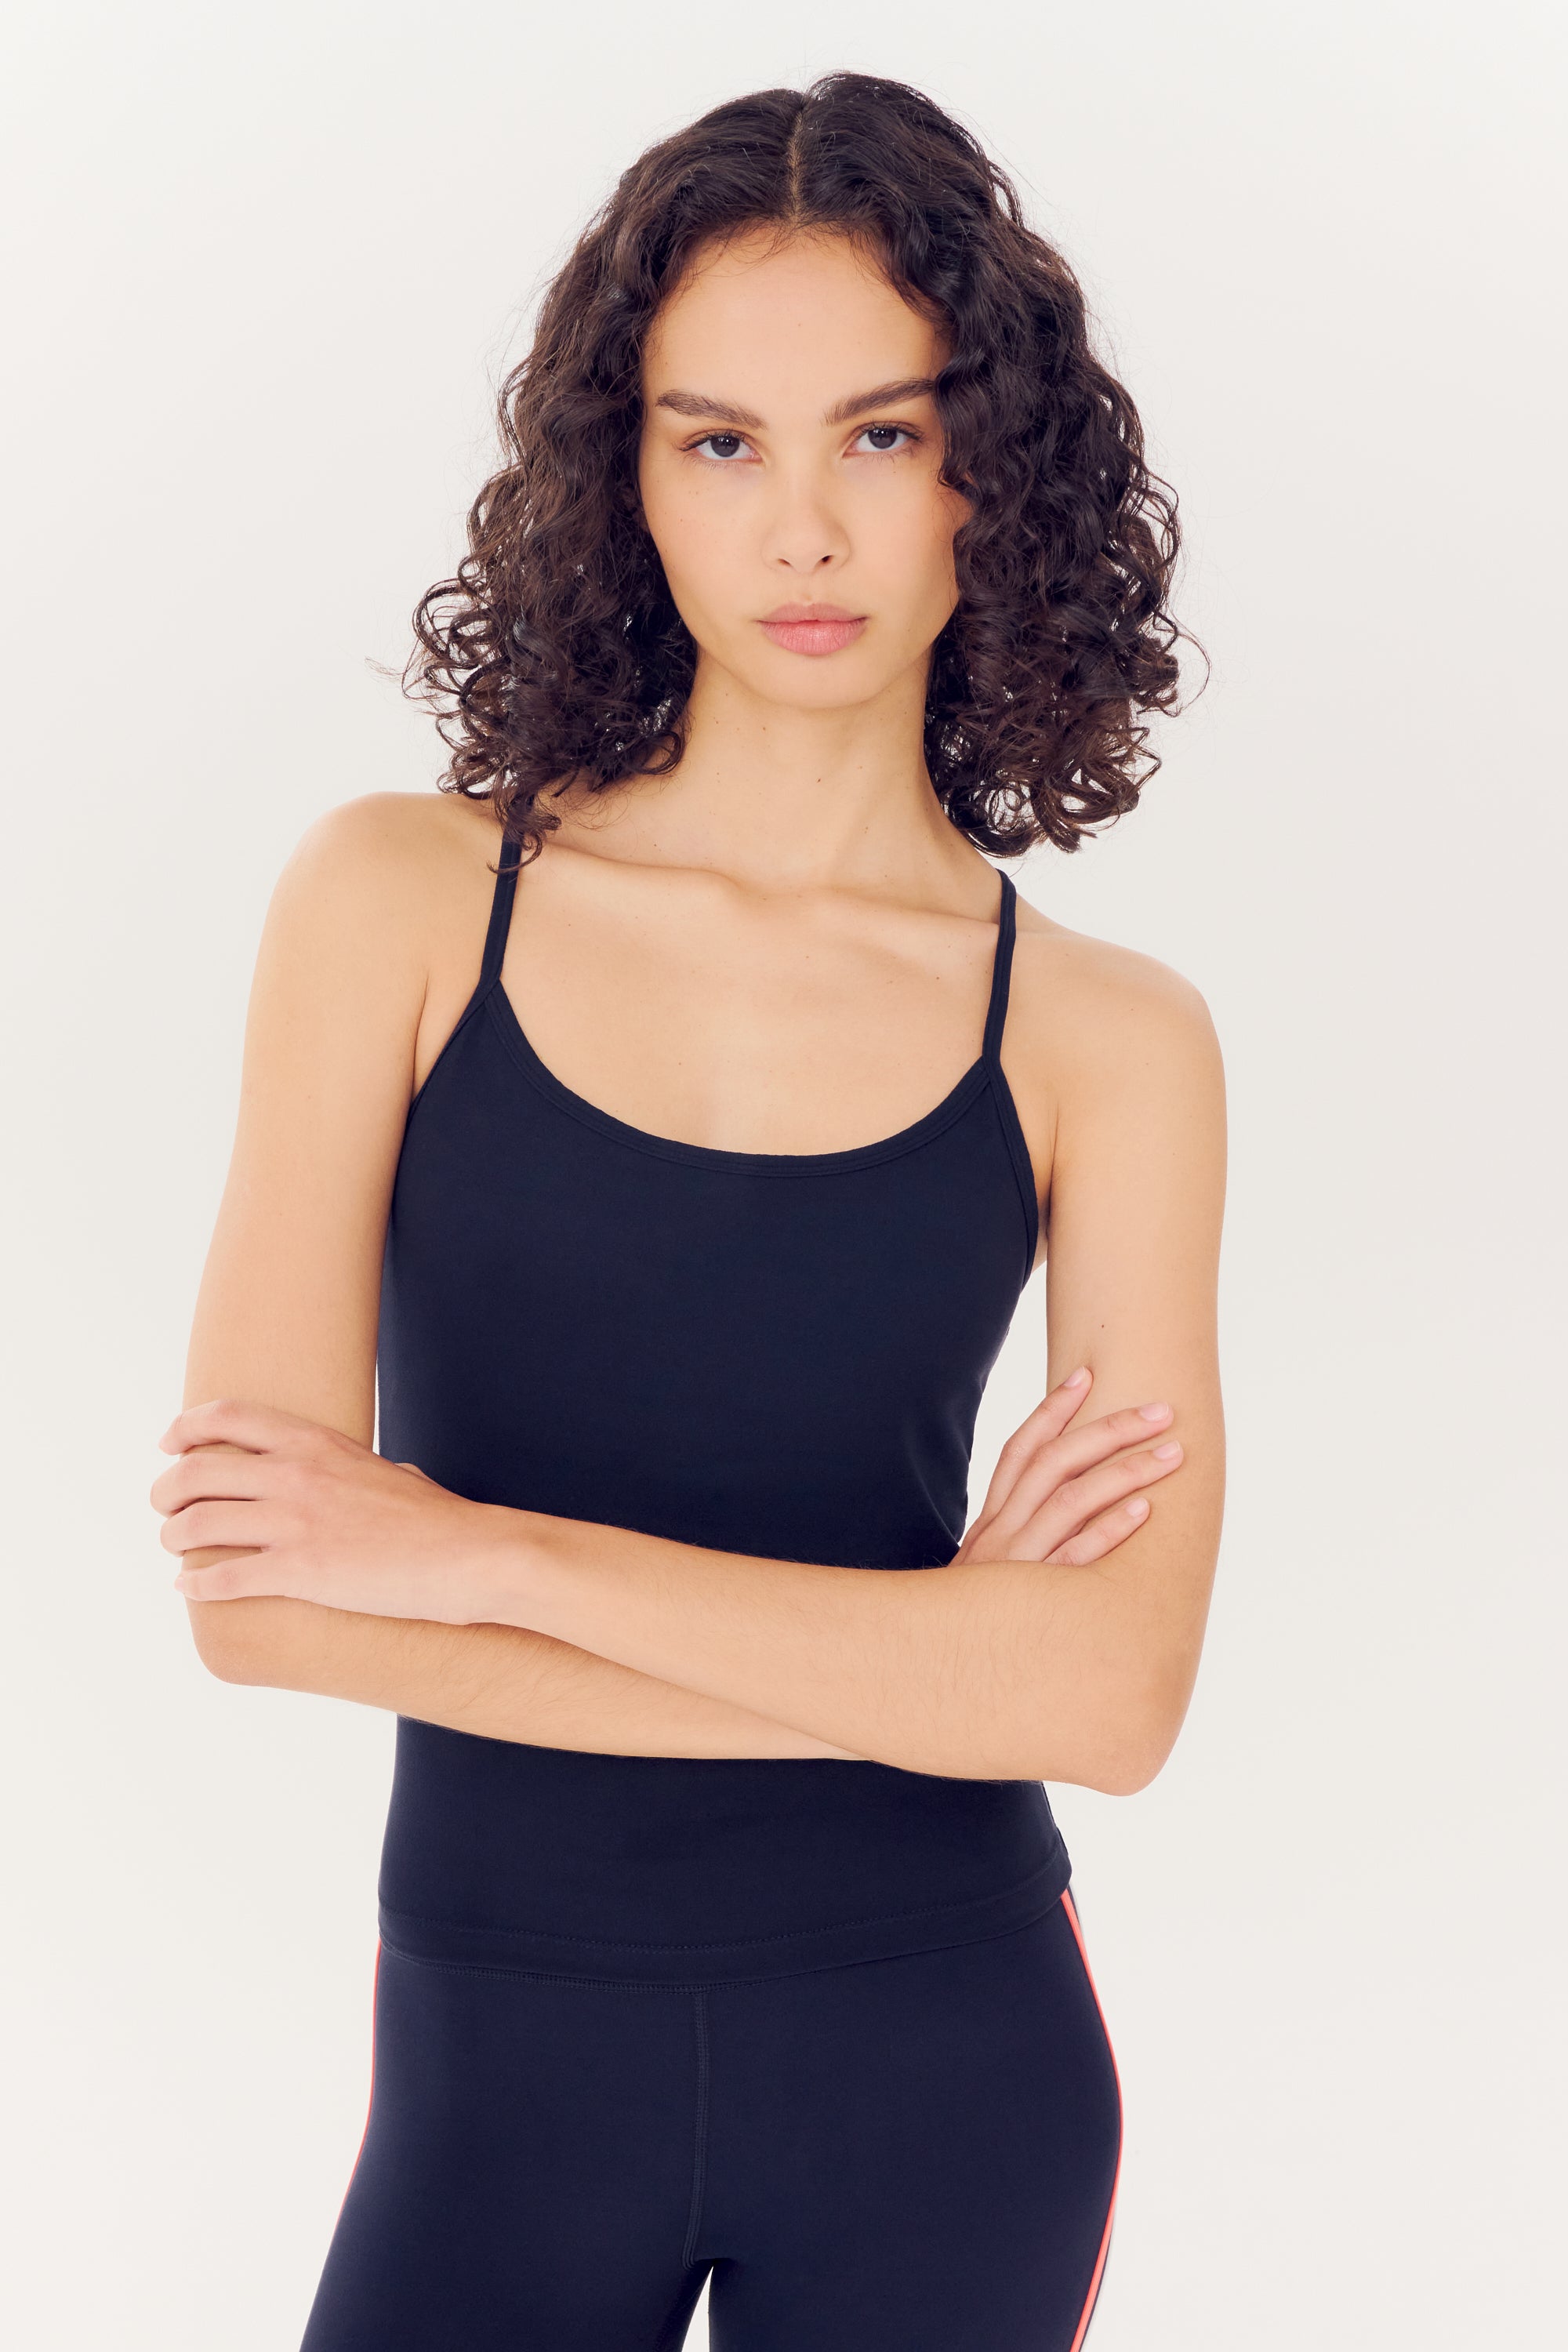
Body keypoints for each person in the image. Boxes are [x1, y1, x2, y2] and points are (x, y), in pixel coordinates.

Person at [151, 70, 1225, 2352]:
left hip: (947, 2067)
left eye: (882, 434)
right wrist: (931, 1671)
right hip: (500, 2073)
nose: (803, 531)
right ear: (624, 476)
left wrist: (482, 1555)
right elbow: (262, 1597)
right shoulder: (401, 904)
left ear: (992, 469)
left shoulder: (1107, 1038)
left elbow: (1111, 1698)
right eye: (719, 440)